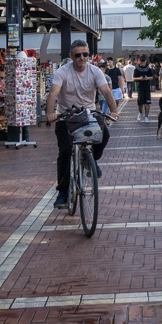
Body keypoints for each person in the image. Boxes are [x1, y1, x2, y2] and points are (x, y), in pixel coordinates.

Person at [45, 41, 118, 208]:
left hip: (89, 114)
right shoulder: (62, 72)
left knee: (105, 134)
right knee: (64, 152)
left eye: (85, 54)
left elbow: (106, 91)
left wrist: (114, 111)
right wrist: (50, 114)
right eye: (78, 55)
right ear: (71, 57)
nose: (82, 58)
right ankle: (63, 191)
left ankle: (90, 159)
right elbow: (53, 93)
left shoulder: (95, 71)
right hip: (66, 115)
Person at [135, 57, 155, 122]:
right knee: (140, 103)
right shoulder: (137, 69)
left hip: (146, 87)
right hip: (140, 87)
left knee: (147, 103)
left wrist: (147, 78)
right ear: (139, 62)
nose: (143, 63)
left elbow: (152, 77)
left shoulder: (148, 69)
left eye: (144, 62)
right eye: (141, 62)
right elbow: (133, 78)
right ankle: (140, 113)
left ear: (146, 61)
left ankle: (146, 116)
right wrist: (139, 78)